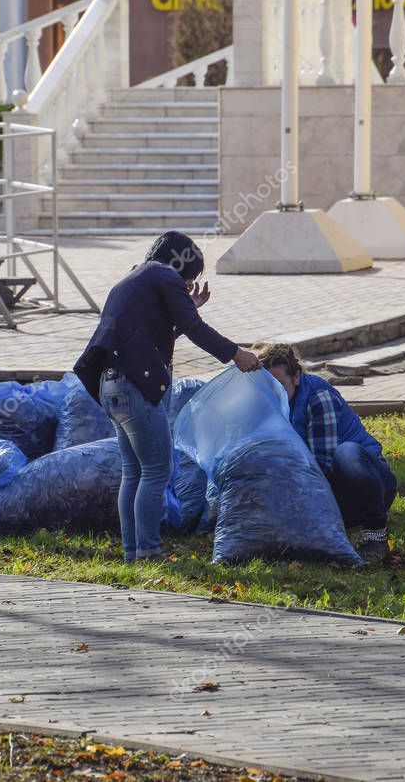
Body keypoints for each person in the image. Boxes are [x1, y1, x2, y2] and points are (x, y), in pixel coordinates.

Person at [74, 231, 261, 564]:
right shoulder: (165, 275)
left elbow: (152, 329)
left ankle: (134, 552)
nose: (189, 283)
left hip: (112, 384)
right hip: (135, 387)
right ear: (181, 262)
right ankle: (148, 552)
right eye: (191, 276)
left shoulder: (135, 276)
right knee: (159, 468)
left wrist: (186, 308)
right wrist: (235, 354)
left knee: (135, 471)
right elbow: (195, 329)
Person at [258, 343, 397, 560]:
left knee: (346, 453)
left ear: (296, 377)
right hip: (329, 490)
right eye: (269, 387)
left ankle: (375, 534)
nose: (275, 393)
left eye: (280, 385)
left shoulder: (319, 398)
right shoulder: (275, 403)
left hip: (369, 484)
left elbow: (322, 464)